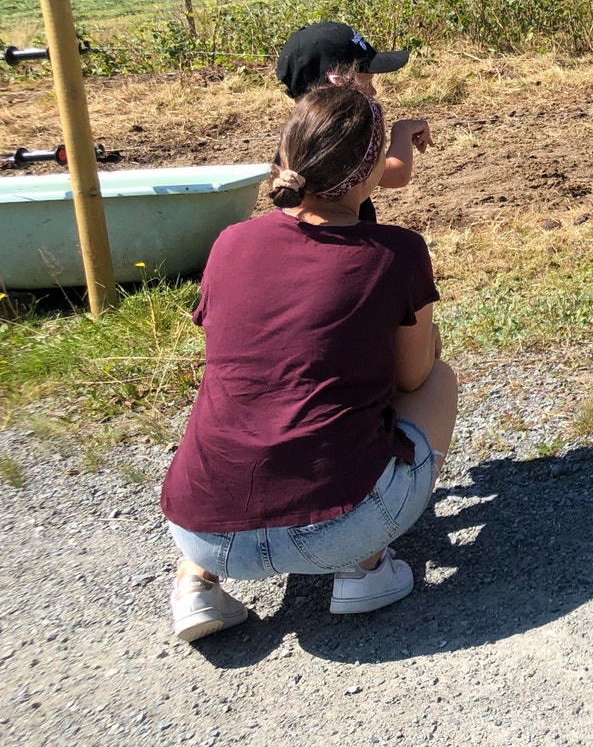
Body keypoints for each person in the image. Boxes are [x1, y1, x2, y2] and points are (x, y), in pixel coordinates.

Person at [160, 84, 458, 642]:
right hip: (339, 527)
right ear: (375, 174)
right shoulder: (397, 251)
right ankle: (363, 567)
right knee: (436, 378)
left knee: (244, 394)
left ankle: (194, 585)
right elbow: (412, 378)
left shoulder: (229, 242)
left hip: (201, 529)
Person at [274, 21, 432, 222]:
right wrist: (402, 130)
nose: (373, 91)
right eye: (366, 82)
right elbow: (396, 174)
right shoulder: (341, 137)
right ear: (336, 84)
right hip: (350, 243)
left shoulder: (294, 137)